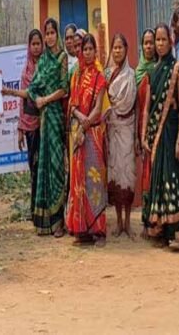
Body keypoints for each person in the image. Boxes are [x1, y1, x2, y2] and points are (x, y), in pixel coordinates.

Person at [141, 24, 179, 251]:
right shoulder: (152, 71)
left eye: (163, 40)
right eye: (156, 40)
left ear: (170, 42)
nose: (159, 44)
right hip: (155, 134)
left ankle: (176, 232)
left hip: (170, 131)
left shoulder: (177, 68)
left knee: (170, 178)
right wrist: (143, 135)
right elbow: (147, 108)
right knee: (157, 179)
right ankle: (158, 229)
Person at [26, 18, 68, 237]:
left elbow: (64, 89)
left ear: (57, 34)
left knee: (57, 167)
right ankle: (47, 222)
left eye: (52, 33)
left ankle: (60, 220)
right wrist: (37, 99)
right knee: (44, 167)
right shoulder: (42, 61)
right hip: (44, 120)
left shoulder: (62, 58)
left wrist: (46, 100)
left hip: (56, 117)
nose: (50, 37)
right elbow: (32, 88)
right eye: (47, 33)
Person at [66, 33, 108, 246]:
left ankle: (97, 229)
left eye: (91, 49)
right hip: (78, 134)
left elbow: (98, 108)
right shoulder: (76, 75)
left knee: (94, 180)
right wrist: (79, 119)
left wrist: (85, 124)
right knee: (78, 180)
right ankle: (81, 228)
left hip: (92, 134)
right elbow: (72, 105)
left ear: (95, 51)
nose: (88, 52)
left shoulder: (100, 77)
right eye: (85, 49)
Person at [3, 29, 43, 215]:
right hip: (29, 125)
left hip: (46, 123)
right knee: (33, 166)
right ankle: (35, 209)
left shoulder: (46, 67)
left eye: (38, 44)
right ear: (29, 46)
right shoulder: (26, 70)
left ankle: (46, 209)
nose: (36, 47)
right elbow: (23, 100)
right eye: (33, 44)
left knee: (45, 167)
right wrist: (20, 128)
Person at [103, 33, 137, 239]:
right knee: (115, 173)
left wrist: (137, 136)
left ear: (126, 50)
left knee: (128, 174)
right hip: (112, 129)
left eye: (120, 47)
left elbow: (134, 105)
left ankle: (128, 222)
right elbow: (104, 103)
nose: (117, 51)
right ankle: (117, 222)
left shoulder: (132, 75)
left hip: (127, 128)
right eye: (114, 48)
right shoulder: (107, 74)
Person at [135, 29, 157, 239]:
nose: (149, 46)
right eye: (146, 43)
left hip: (159, 128)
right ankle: (146, 220)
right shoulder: (138, 72)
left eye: (152, 42)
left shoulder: (161, 69)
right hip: (144, 130)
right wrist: (137, 135)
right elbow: (136, 106)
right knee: (146, 175)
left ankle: (158, 222)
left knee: (158, 174)